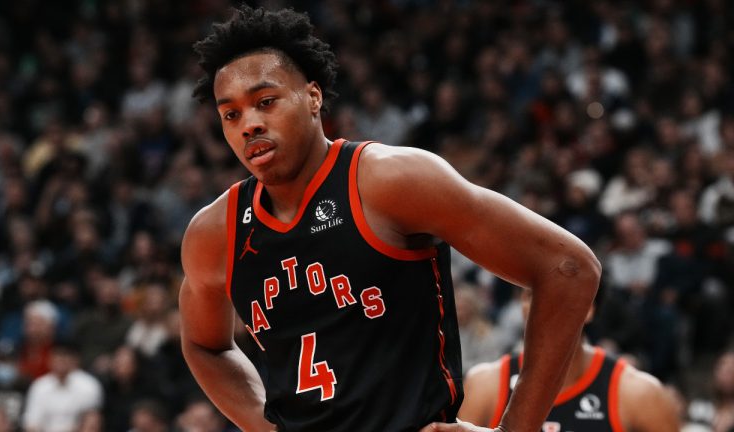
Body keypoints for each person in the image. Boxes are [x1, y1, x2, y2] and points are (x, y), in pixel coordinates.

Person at [179, 6, 600, 432]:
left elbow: (568, 268)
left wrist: (516, 429)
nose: (249, 124)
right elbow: (202, 343)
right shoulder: (216, 232)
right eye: (231, 114)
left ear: (313, 97)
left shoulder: (389, 181)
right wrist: (263, 422)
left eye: (265, 102)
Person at [458, 287, 680, 431]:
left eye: (558, 294)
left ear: (589, 309)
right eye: (530, 294)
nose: (542, 305)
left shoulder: (640, 393)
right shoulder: (484, 384)